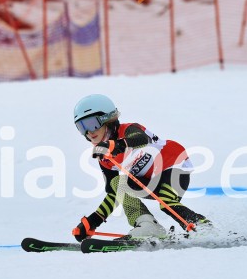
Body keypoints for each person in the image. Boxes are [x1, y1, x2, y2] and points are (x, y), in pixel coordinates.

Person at [71, 94, 210, 242]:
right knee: (117, 184)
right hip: (149, 181)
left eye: (92, 124)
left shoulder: (129, 130)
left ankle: (203, 228)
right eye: (82, 127)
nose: (89, 132)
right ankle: (148, 225)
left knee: (167, 202)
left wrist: (115, 145)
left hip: (174, 164)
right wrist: (92, 221)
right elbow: (114, 194)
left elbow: (140, 139)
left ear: (107, 119)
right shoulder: (105, 157)